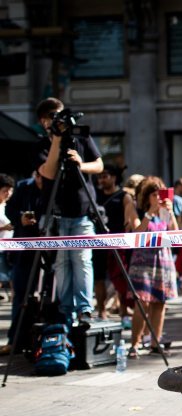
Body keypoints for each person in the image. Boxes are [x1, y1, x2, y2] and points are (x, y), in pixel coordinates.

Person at [36, 97, 104, 326]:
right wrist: (56, 139)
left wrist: (80, 164)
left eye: (61, 115)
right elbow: (49, 172)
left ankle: (85, 309)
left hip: (83, 211)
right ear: (44, 121)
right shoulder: (41, 143)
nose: (60, 121)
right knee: (63, 262)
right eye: (54, 117)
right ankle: (66, 310)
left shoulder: (80, 137)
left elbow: (99, 165)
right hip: (56, 213)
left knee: (83, 260)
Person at [127, 177, 179, 358]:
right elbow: (137, 233)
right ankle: (135, 343)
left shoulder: (164, 212)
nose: (158, 198)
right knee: (142, 302)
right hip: (142, 261)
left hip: (162, 258)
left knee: (160, 301)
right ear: (147, 196)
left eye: (161, 195)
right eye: (155, 195)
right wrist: (149, 213)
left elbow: (176, 235)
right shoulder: (136, 209)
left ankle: (155, 343)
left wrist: (170, 213)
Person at [2, 172, 44, 354]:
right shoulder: (25, 187)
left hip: (52, 247)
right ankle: (16, 340)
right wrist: (20, 219)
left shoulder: (58, 185)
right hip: (23, 250)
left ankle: (46, 338)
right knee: (21, 294)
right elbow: (11, 211)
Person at [93, 164, 136, 321]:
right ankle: (101, 311)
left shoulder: (124, 196)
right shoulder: (95, 195)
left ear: (114, 177)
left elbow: (128, 221)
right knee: (98, 278)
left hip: (118, 243)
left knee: (120, 278)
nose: (101, 179)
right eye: (99, 176)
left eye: (105, 176)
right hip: (98, 241)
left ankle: (123, 310)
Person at [0, 175, 14, 300]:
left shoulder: (10, 206)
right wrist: (6, 227)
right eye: (5, 191)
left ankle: (14, 296)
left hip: (10, 246)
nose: (8, 193)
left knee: (11, 273)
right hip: (1, 246)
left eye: (10, 190)